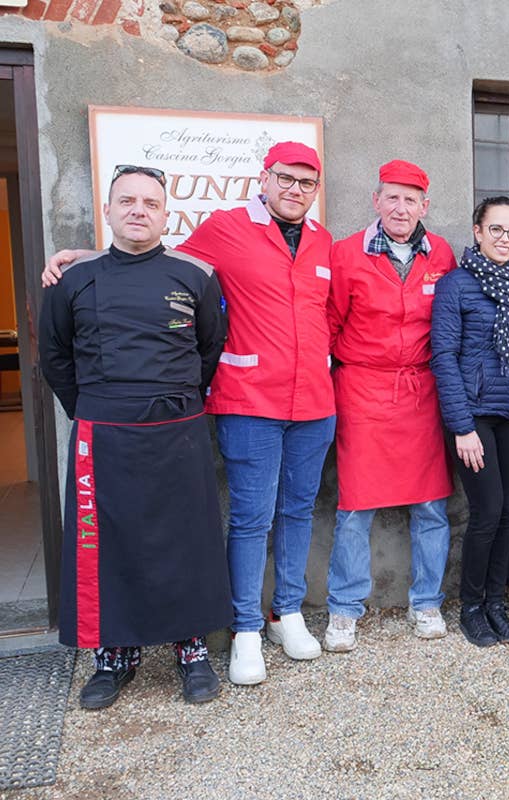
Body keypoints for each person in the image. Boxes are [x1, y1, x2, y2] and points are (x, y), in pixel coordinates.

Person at [43, 142, 337, 687]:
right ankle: (245, 625)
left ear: (315, 189)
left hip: (314, 402)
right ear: (264, 178)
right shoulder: (225, 227)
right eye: (285, 178)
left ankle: (286, 613)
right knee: (251, 517)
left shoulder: (325, 243)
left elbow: (333, 316)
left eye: (306, 182)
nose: (295, 189)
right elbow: (147, 253)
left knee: (298, 511)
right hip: (251, 401)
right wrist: (79, 256)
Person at [39, 165, 231, 708]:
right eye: (127, 201)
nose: (138, 210)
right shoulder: (74, 279)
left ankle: (191, 650)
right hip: (103, 434)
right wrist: (94, 408)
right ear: (108, 210)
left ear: (166, 213)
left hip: (178, 428)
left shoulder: (194, 275)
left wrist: (177, 399)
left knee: (185, 539)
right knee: (105, 544)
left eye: (150, 202)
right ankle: (113, 655)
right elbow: (54, 356)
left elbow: (209, 349)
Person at [323, 160, 456, 650]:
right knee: (355, 507)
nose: (402, 208)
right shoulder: (345, 253)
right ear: (376, 202)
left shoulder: (440, 252)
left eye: (411, 199)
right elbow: (330, 324)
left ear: (425, 205)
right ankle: (343, 609)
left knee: (431, 506)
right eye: (392, 198)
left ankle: (427, 602)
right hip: (362, 389)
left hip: (422, 391)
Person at [431, 196, 509, 648]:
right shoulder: (455, 286)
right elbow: (443, 359)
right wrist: (461, 427)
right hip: (475, 416)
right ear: (477, 232)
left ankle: (497, 604)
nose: (505, 238)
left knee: (505, 514)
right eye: (496, 229)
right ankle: (472, 607)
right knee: (486, 513)